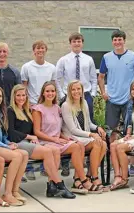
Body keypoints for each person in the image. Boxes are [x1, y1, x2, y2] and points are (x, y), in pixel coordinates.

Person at [32, 81, 103, 194]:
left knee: (78, 145)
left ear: (56, 93)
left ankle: (80, 179)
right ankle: (83, 179)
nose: (50, 93)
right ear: (43, 93)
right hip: (45, 142)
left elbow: (58, 129)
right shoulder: (38, 109)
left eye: (53, 91)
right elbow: (37, 131)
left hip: (58, 140)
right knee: (76, 147)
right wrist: (54, 139)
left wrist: (64, 138)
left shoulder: (57, 108)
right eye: (48, 91)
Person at [7, 84, 75, 199]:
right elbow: (10, 132)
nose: (21, 98)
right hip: (17, 143)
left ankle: (51, 187)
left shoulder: (26, 110)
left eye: (23, 95)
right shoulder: (10, 110)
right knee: (47, 152)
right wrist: (30, 137)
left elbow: (32, 129)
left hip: (29, 142)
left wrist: (32, 138)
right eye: (18, 95)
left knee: (55, 150)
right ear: (13, 96)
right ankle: (59, 184)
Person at [98, 30, 134, 177]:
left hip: (128, 100)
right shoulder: (106, 57)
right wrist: (103, 92)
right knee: (111, 132)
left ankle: (132, 165)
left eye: (120, 40)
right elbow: (101, 77)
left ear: (124, 41)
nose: (117, 42)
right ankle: (113, 163)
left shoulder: (133, 56)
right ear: (112, 42)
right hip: (112, 100)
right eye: (115, 40)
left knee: (129, 132)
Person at [56, 32, 98, 176]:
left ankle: (86, 159)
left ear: (82, 43)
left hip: (85, 95)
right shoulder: (63, 60)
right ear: (70, 43)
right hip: (68, 95)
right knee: (68, 127)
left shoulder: (89, 59)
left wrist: (92, 94)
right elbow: (57, 78)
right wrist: (62, 95)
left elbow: (94, 77)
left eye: (79, 41)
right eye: (74, 41)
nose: (77, 43)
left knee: (85, 123)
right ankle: (66, 164)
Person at [61, 80, 108, 191]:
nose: (76, 91)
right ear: (69, 91)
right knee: (97, 143)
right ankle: (94, 177)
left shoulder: (84, 103)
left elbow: (89, 123)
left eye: (79, 89)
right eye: (73, 89)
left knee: (104, 144)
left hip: (84, 137)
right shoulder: (66, 106)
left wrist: (97, 128)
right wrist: (91, 134)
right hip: (72, 138)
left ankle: (86, 177)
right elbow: (73, 129)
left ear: (82, 90)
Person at [21, 40, 56, 179]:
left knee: (44, 134)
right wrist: (26, 104)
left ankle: (44, 167)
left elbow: (52, 86)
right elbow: (24, 86)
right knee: (31, 135)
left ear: (45, 51)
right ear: (33, 51)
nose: (40, 51)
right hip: (31, 106)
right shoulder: (27, 67)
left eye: (42, 49)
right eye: (37, 49)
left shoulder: (51, 67)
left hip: (46, 105)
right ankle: (28, 168)